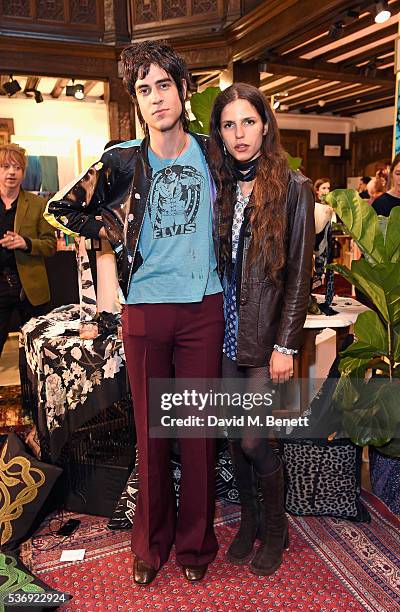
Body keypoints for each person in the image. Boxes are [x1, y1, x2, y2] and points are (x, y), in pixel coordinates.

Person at [45, 41, 223, 586]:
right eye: (143, 89)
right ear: (136, 101)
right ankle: (150, 545)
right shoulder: (122, 159)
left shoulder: (213, 153)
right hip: (145, 310)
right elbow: (61, 209)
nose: (154, 97)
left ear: (183, 89)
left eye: (163, 85)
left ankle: (195, 546)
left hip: (203, 307)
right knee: (152, 435)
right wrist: (112, 231)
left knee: (196, 435)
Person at [209, 84, 314, 576]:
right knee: (233, 435)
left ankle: (276, 527)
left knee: (254, 441)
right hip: (224, 332)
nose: (239, 133)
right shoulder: (220, 185)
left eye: (247, 122)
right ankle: (249, 520)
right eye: (229, 124)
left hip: (264, 336)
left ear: (265, 125)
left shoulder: (294, 187)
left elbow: (300, 276)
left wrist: (285, 345)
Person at [0, 143, 56, 357]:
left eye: (17, 167)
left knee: (37, 352)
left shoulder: (38, 204)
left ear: (23, 172)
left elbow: (50, 245)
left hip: (29, 289)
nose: (11, 172)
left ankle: (32, 391)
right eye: (5, 166)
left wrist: (26, 243)